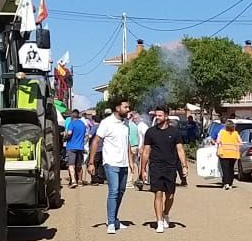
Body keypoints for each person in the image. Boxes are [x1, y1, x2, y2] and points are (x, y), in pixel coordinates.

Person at [140, 106, 187, 233]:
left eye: (160, 115)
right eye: (156, 115)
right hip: (155, 166)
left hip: (170, 166)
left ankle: (166, 213)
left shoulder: (175, 132)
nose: (157, 117)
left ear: (166, 116)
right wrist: (143, 169)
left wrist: (184, 166)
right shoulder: (150, 132)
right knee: (158, 193)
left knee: (170, 195)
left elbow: (180, 149)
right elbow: (146, 152)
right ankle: (159, 221)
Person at [87, 99, 132, 233]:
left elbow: (127, 143)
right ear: (117, 108)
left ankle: (114, 218)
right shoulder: (106, 123)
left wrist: (130, 161)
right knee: (114, 191)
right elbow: (95, 141)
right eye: (126, 107)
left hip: (123, 163)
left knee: (121, 192)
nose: (128, 109)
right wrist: (91, 162)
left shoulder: (126, 124)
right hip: (111, 163)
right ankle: (111, 222)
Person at [64, 109, 88, 188]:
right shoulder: (82, 124)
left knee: (71, 165)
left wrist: (65, 137)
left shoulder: (72, 123)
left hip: (71, 147)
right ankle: (80, 181)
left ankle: (73, 181)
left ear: (72, 116)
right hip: (80, 147)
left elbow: (69, 134)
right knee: (79, 165)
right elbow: (85, 135)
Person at [216, 120, 242, 189]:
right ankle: (230, 183)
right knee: (231, 169)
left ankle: (226, 183)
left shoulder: (222, 132)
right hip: (233, 153)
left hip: (223, 153)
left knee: (225, 169)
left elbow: (218, 141)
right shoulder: (236, 133)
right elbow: (240, 142)